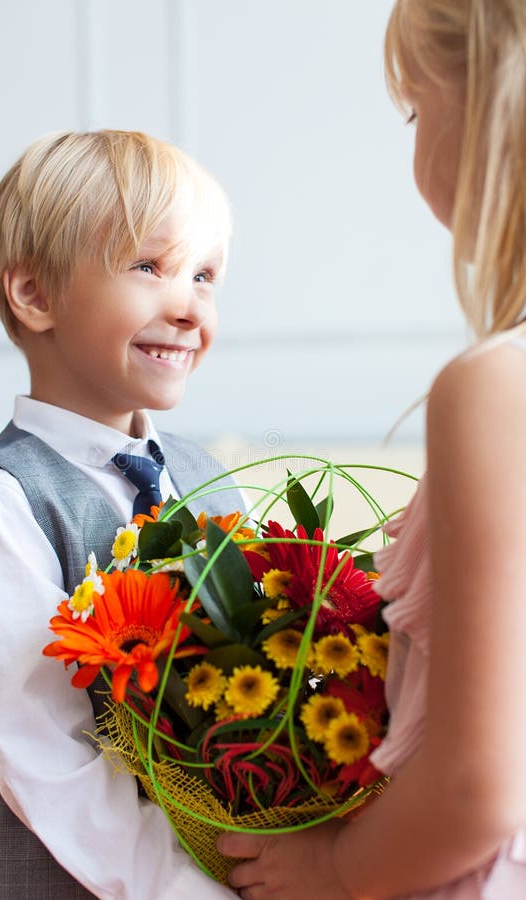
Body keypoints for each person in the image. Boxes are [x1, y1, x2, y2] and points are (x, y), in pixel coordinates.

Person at [217, 1, 526, 897]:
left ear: (486, 110)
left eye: (415, 110)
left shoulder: (494, 387)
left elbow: (478, 786)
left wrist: (339, 867)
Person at [0, 129, 243, 899]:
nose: (187, 304)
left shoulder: (209, 480)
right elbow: (49, 756)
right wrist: (189, 888)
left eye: (204, 276)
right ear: (34, 295)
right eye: (149, 267)